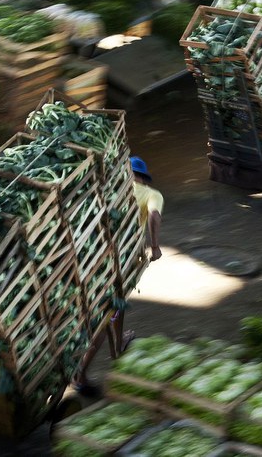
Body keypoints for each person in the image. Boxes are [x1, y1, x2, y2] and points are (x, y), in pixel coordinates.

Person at [73, 156, 164, 396]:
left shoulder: (109, 189)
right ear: (143, 177)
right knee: (104, 317)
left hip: (90, 258)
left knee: (118, 303)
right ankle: (79, 374)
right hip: (115, 264)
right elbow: (154, 216)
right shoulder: (151, 194)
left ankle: (119, 344)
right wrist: (154, 246)